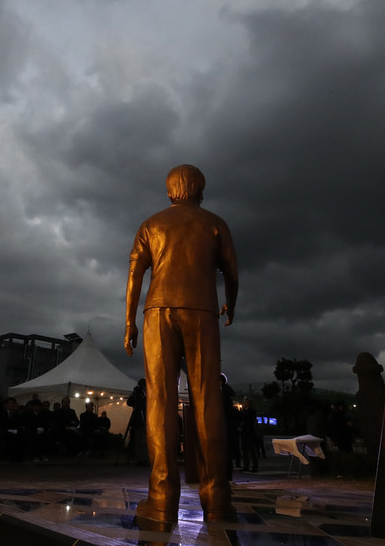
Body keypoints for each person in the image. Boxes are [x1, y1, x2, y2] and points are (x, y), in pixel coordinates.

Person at [124, 164, 239, 523]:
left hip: (158, 311)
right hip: (202, 311)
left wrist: (129, 321)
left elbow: (135, 273)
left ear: (169, 190)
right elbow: (232, 272)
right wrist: (229, 305)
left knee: (160, 400)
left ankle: (161, 498)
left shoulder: (152, 224)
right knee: (208, 401)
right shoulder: (214, 223)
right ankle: (216, 497)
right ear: (200, 189)